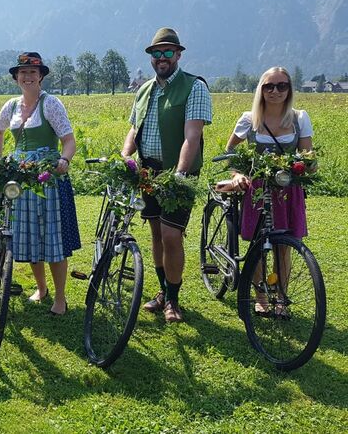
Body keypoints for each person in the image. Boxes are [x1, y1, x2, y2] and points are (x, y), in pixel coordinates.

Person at [121, 27, 212, 322]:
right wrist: (124, 158)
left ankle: (173, 299)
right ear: (151, 58)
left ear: (178, 55)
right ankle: (162, 292)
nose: (162, 57)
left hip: (178, 173)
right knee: (157, 233)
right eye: (156, 53)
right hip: (148, 171)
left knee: (173, 235)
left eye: (168, 52)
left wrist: (181, 175)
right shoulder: (145, 90)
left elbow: (192, 136)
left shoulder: (194, 87)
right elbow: (135, 130)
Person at [0, 52, 81, 316]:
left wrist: (64, 159)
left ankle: (61, 297)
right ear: (16, 78)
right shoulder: (11, 106)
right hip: (21, 180)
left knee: (52, 238)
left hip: (47, 178)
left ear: (41, 76)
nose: (27, 77)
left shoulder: (51, 104)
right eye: (22, 72)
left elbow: (69, 140)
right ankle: (41, 288)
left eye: (32, 72)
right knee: (29, 235)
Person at [223, 67, 313, 317]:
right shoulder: (248, 119)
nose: (275, 91)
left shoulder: (299, 118)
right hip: (258, 189)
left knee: (284, 246)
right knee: (257, 243)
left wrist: (307, 166)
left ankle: (282, 297)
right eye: (269, 86)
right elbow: (230, 154)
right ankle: (261, 295)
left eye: (281, 86)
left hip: (288, 190)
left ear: (289, 89)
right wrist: (238, 174)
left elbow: (308, 156)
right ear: (260, 89)